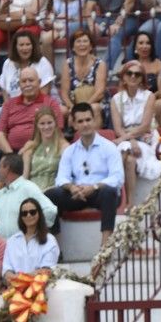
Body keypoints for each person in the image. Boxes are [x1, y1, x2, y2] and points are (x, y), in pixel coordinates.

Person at [46, 103, 125, 249]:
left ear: (94, 121)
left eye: (88, 120)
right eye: (80, 121)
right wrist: (71, 188)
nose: (85, 124)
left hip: (100, 192)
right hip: (78, 194)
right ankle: (55, 248)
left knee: (110, 191)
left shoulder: (109, 147)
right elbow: (61, 178)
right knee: (50, 195)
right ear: (74, 124)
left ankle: (105, 246)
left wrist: (94, 187)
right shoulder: (70, 151)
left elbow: (117, 178)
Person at [110, 61, 161, 205]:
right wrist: (131, 141)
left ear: (142, 78)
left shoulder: (149, 96)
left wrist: (127, 137)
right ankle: (129, 203)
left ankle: (118, 194)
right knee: (130, 159)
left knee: (125, 151)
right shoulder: (115, 99)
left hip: (147, 138)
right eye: (129, 73)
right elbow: (118, 128)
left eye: (137, 74)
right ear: (124, 77)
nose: (133, 76)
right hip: (128, 140)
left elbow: (145, 126)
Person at [0, 67, 63, 155]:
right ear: (19, 84)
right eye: (23, 81)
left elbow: (58, 131)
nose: (27, 84)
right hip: (13, 153)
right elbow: (0, 133)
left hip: (41, 152)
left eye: (31, 80)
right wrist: (11, 156)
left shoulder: (51, 103)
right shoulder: (9, 104)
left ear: (39, 82)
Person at [0, 153, 57, 237]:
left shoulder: (29, 188)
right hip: (3, 247)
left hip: (26, 246)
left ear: (7, 168)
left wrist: (34, 232)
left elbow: (50, 211)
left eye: (0, 167)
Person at [86, 0, 142, 77]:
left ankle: (102, 73)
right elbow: (89, 7)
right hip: (104, 19)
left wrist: (117, 24)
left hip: (128, 18)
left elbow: (129, 3)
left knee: (116, 36)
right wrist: (92, 25)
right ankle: (74, 70)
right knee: (75, 27)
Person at [59, 29, 107, 128]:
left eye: (85, 41)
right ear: (73, 47)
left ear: (91, 46)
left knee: (95, 108)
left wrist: (83, 108)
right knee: (61, 110)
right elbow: (64, 93)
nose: (82, 45)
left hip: (94, 103)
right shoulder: (67, 64)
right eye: (78, 41)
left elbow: (100, 92)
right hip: (74, 104)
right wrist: (73, 108)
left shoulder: (100, 64)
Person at [2, 197, 59, 281]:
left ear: (39, 214)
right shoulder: (12, 241)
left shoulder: (50, 240)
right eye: (24, 213)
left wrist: (19, 277)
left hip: (40, 288)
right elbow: (7, 270)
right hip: (15, 288)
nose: (28, 215)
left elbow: (46, 270)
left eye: (32, 212)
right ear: (21, 217)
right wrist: (15, 278)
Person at [0, 29, 55, 105]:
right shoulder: (8, 63)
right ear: (15, 47)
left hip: (38, 106)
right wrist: (8, 108)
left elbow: (44, 93)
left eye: (28, 44)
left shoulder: (43, 63)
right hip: (13, 107)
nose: (25, 48)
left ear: (33, 46)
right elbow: (4, 90)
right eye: (21, 45)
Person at [21, 107, 68, 192]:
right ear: (37, 126)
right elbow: (25, 176)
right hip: (32, 190)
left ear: (55, 124)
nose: (46, 127)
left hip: (53, 191)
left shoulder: (64, 146)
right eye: (42, 124)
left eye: (49, 123)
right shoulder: (30, 146)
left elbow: (64, 177)